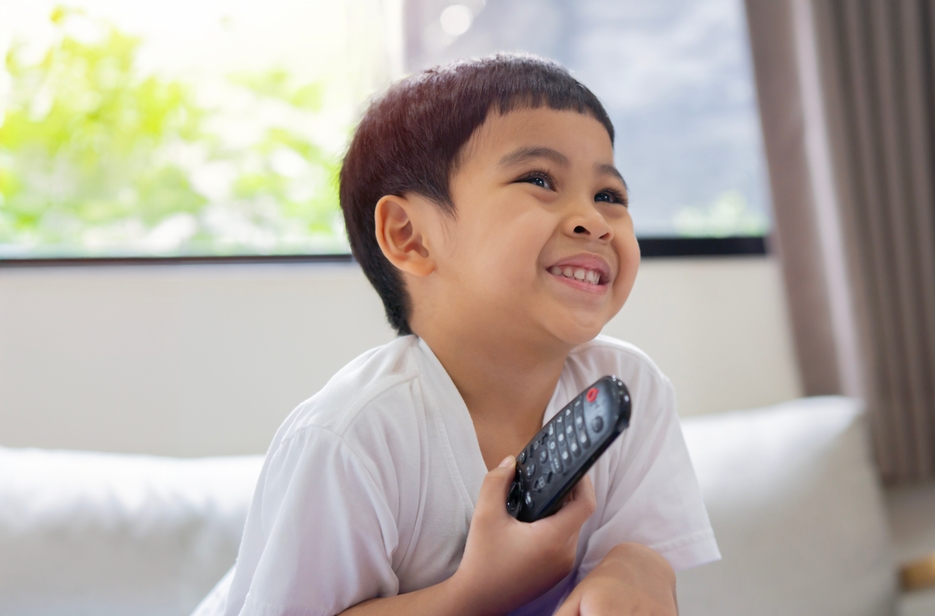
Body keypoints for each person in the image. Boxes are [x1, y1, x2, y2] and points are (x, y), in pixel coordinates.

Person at [193, 53, 719, 616]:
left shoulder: (627, 386)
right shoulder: (352, 437)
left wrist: (635, 572)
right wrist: (474, 592)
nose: (592, 219)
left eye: (609, 195)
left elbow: (645, 548)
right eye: (539, 180)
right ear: (410, 237)